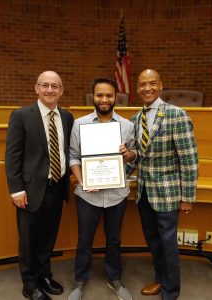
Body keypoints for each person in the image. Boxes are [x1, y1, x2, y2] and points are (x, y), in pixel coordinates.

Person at [128, 69, 198, 300]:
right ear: (137, 88)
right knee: (153, 240)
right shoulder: (136, 118)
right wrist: (128, 159)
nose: (147, 88)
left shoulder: (177, 115)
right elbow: (140, 155)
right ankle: (160, 279)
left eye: (152, 84)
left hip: (168, 193)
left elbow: (188, 159)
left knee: (168, 244)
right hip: (144, 192)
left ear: (160, 85)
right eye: (142, 85)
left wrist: (187, 197)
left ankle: (171, 291)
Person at [5, 71, 74, 300]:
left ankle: (44, 275)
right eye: (45, 85)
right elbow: (13, 156)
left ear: (61, 90)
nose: (50, 90)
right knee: (28, 240)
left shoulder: (67, 117)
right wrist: (16, 189)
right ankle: (29, 283)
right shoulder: (21, 116)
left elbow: (67, 151)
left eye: (55, 86)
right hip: (30, 190)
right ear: (36, 88)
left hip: (57, 187)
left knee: (48, 236)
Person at [68, 78, 135, 300]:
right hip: (88, 194)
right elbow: (73, 157)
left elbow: (135, 156)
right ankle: (80, 281)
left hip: (117, 194)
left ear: (115, 97)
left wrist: (128, 154)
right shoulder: (80, 124)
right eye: (100, 95)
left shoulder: (127, 126)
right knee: (84, 239)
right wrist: (83, 181)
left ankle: (115, 278)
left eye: (109, 95)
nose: (104, 99)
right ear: (92, 97)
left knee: (114, 238)